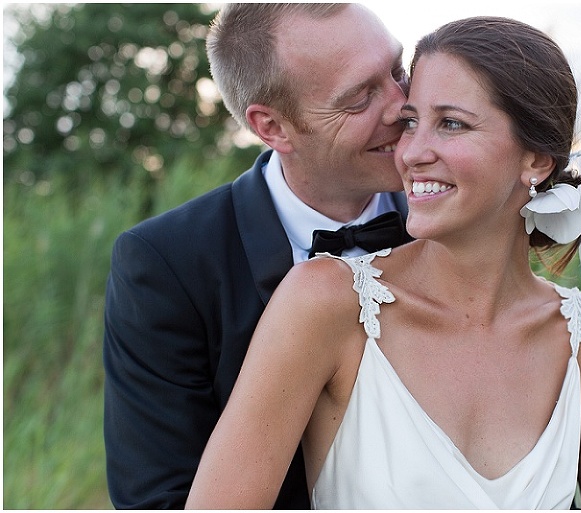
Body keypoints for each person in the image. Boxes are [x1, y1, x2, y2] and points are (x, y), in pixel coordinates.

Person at [185, 15, 581, 510]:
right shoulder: (327, 305)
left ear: (536, 161)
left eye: (452, 123)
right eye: (413, 120)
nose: (412, 151)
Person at [102, 4, 412, 509]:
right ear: (273, 128)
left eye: (398, 70)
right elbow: (159, 496)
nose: (402, 105)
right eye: (360, 97)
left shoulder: (458, 222)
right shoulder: (165, 264)